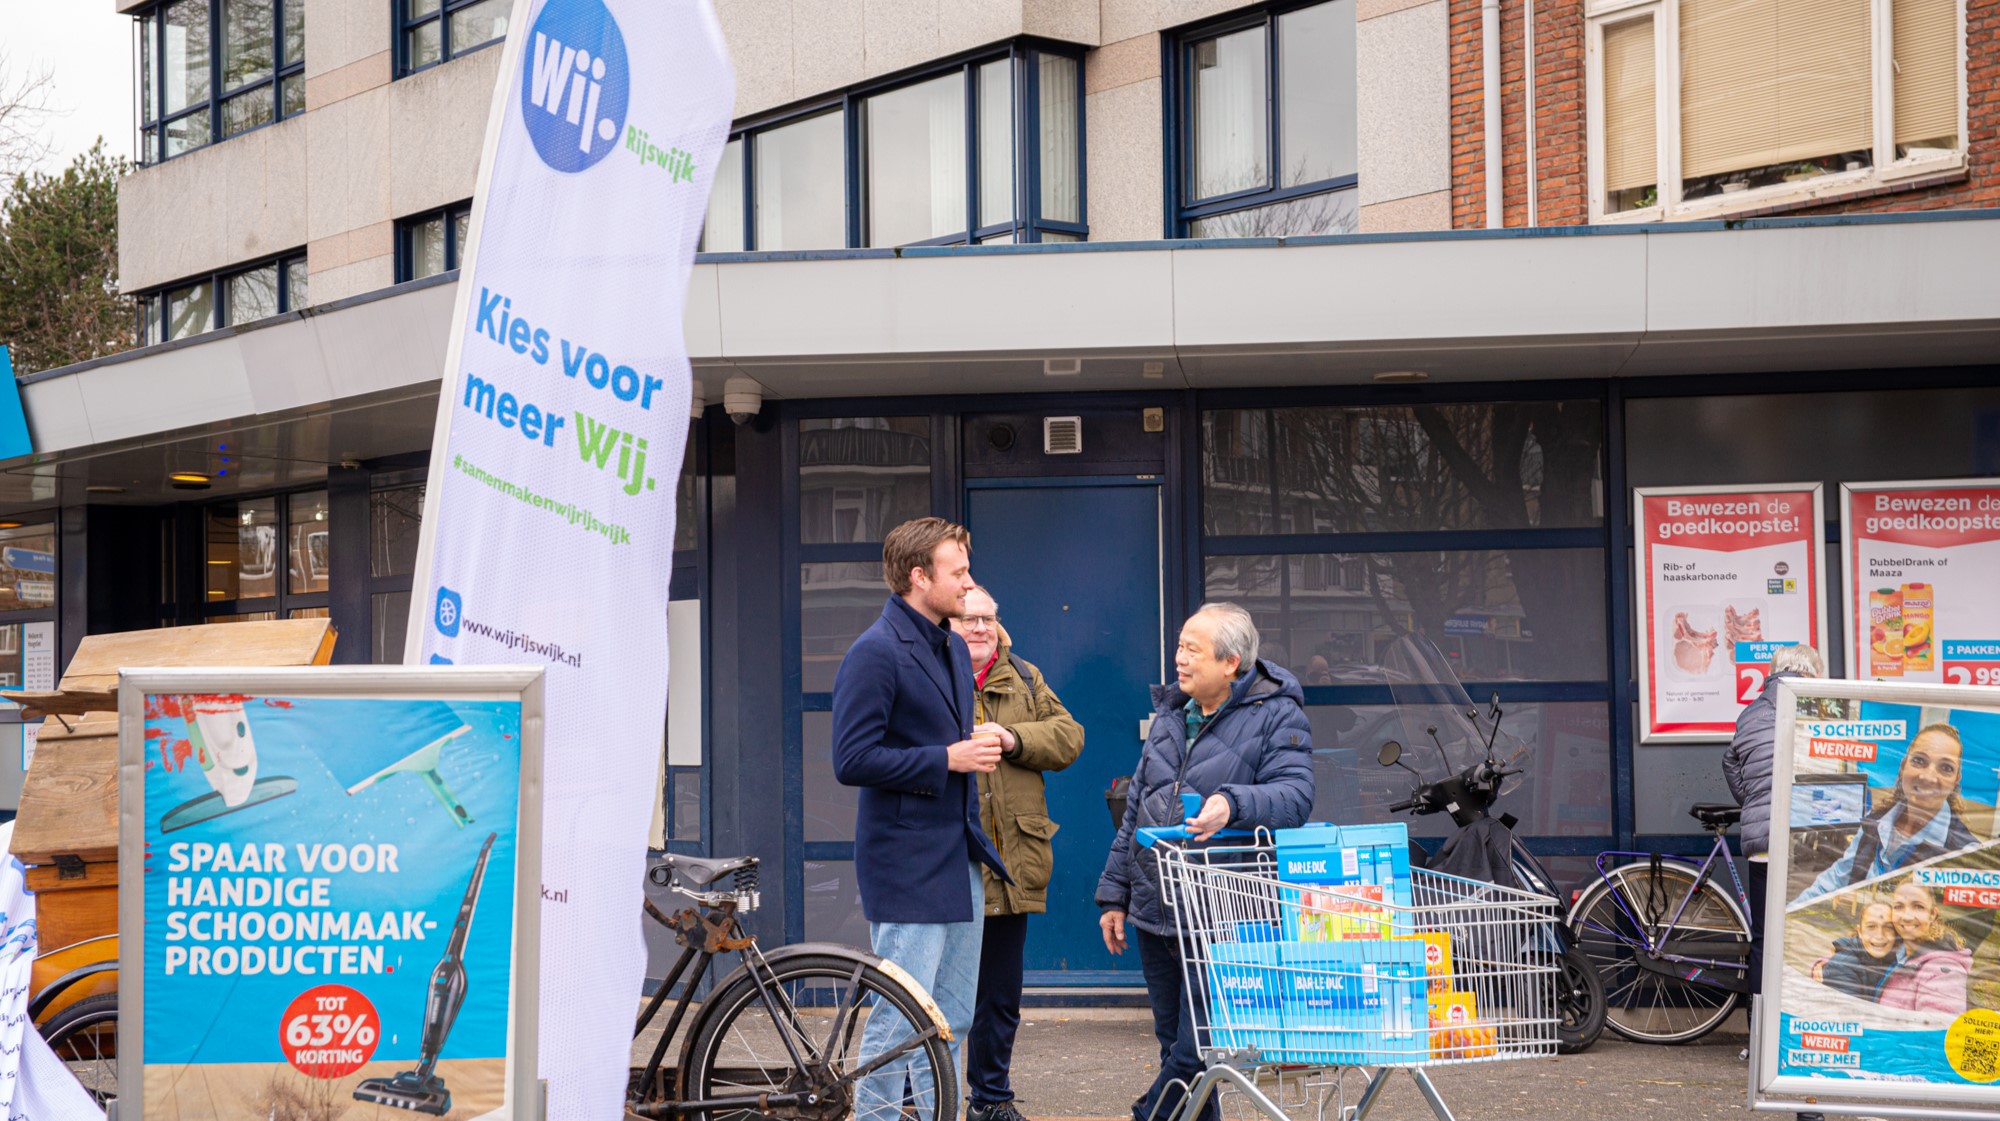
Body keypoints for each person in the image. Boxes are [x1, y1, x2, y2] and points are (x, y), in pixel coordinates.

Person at [1096, 603, 1314, 1121]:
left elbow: (1296, 796)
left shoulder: (1278, 713)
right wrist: (1115, 893)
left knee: (1196, 1053)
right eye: (1179, 647)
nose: (1179, 659)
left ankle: (1149, 1115)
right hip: (1156, 910)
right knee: (1175, 1044)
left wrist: (1233, 803)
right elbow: (1136, 810)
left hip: (1224, 915)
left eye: (1193, 649)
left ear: (1230, 662)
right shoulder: (1173, 712)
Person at [831, 517, 1010, 1119]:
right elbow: (852, 759)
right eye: (957, 571)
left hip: (959, 855)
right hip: (905, 864)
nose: (968, 582)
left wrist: (973, 745)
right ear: (918, 576)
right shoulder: (874, 652)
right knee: (901, 1015)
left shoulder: (954, 647)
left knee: (951, 1018)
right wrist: (949, 757)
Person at [951, 587, 1084, 1121]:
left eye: (987, 618)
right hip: (952, 859)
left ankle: (990, 1099)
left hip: (1009, 861)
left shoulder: (1024, 677)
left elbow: (1069, 737)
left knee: (999, 997)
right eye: (967, 619)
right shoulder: (932, 676)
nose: (979, 628)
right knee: (935, 993)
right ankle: (917, 1099)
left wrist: (1011, 737)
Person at [1721, 643, 1823, 1121]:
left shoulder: (1751, 712)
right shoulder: (1819, 707)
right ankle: (1808, 1033)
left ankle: (1760, 1037)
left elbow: (1731, 764)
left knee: (1764, 940)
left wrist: (1754, 803)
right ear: (1810, 672)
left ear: (1773, 673)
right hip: (1807, 844)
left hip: (1762, 844)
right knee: (1805, 936)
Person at [1796, 723, 1978, 903]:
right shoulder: (1874, 823)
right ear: (1903, 766)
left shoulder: (1966, 854)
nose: (1928, 777)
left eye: (1946, 768)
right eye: (1919, 761)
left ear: (1956, 781)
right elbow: (1835, 880)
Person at [1875, 880, 1971, 1014]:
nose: (1907, 916)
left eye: (1918, 907)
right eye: (1898, 906)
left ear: (1932, 915)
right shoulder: (1900, 953)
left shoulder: (1941, 972)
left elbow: (1937, 1032)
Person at [1810, 897, 1899, 1001]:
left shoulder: (1892, 957)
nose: (1879, 935)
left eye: (1888, 927)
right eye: (1871, 926)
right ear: (1860, 932)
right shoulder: (1842, 967)